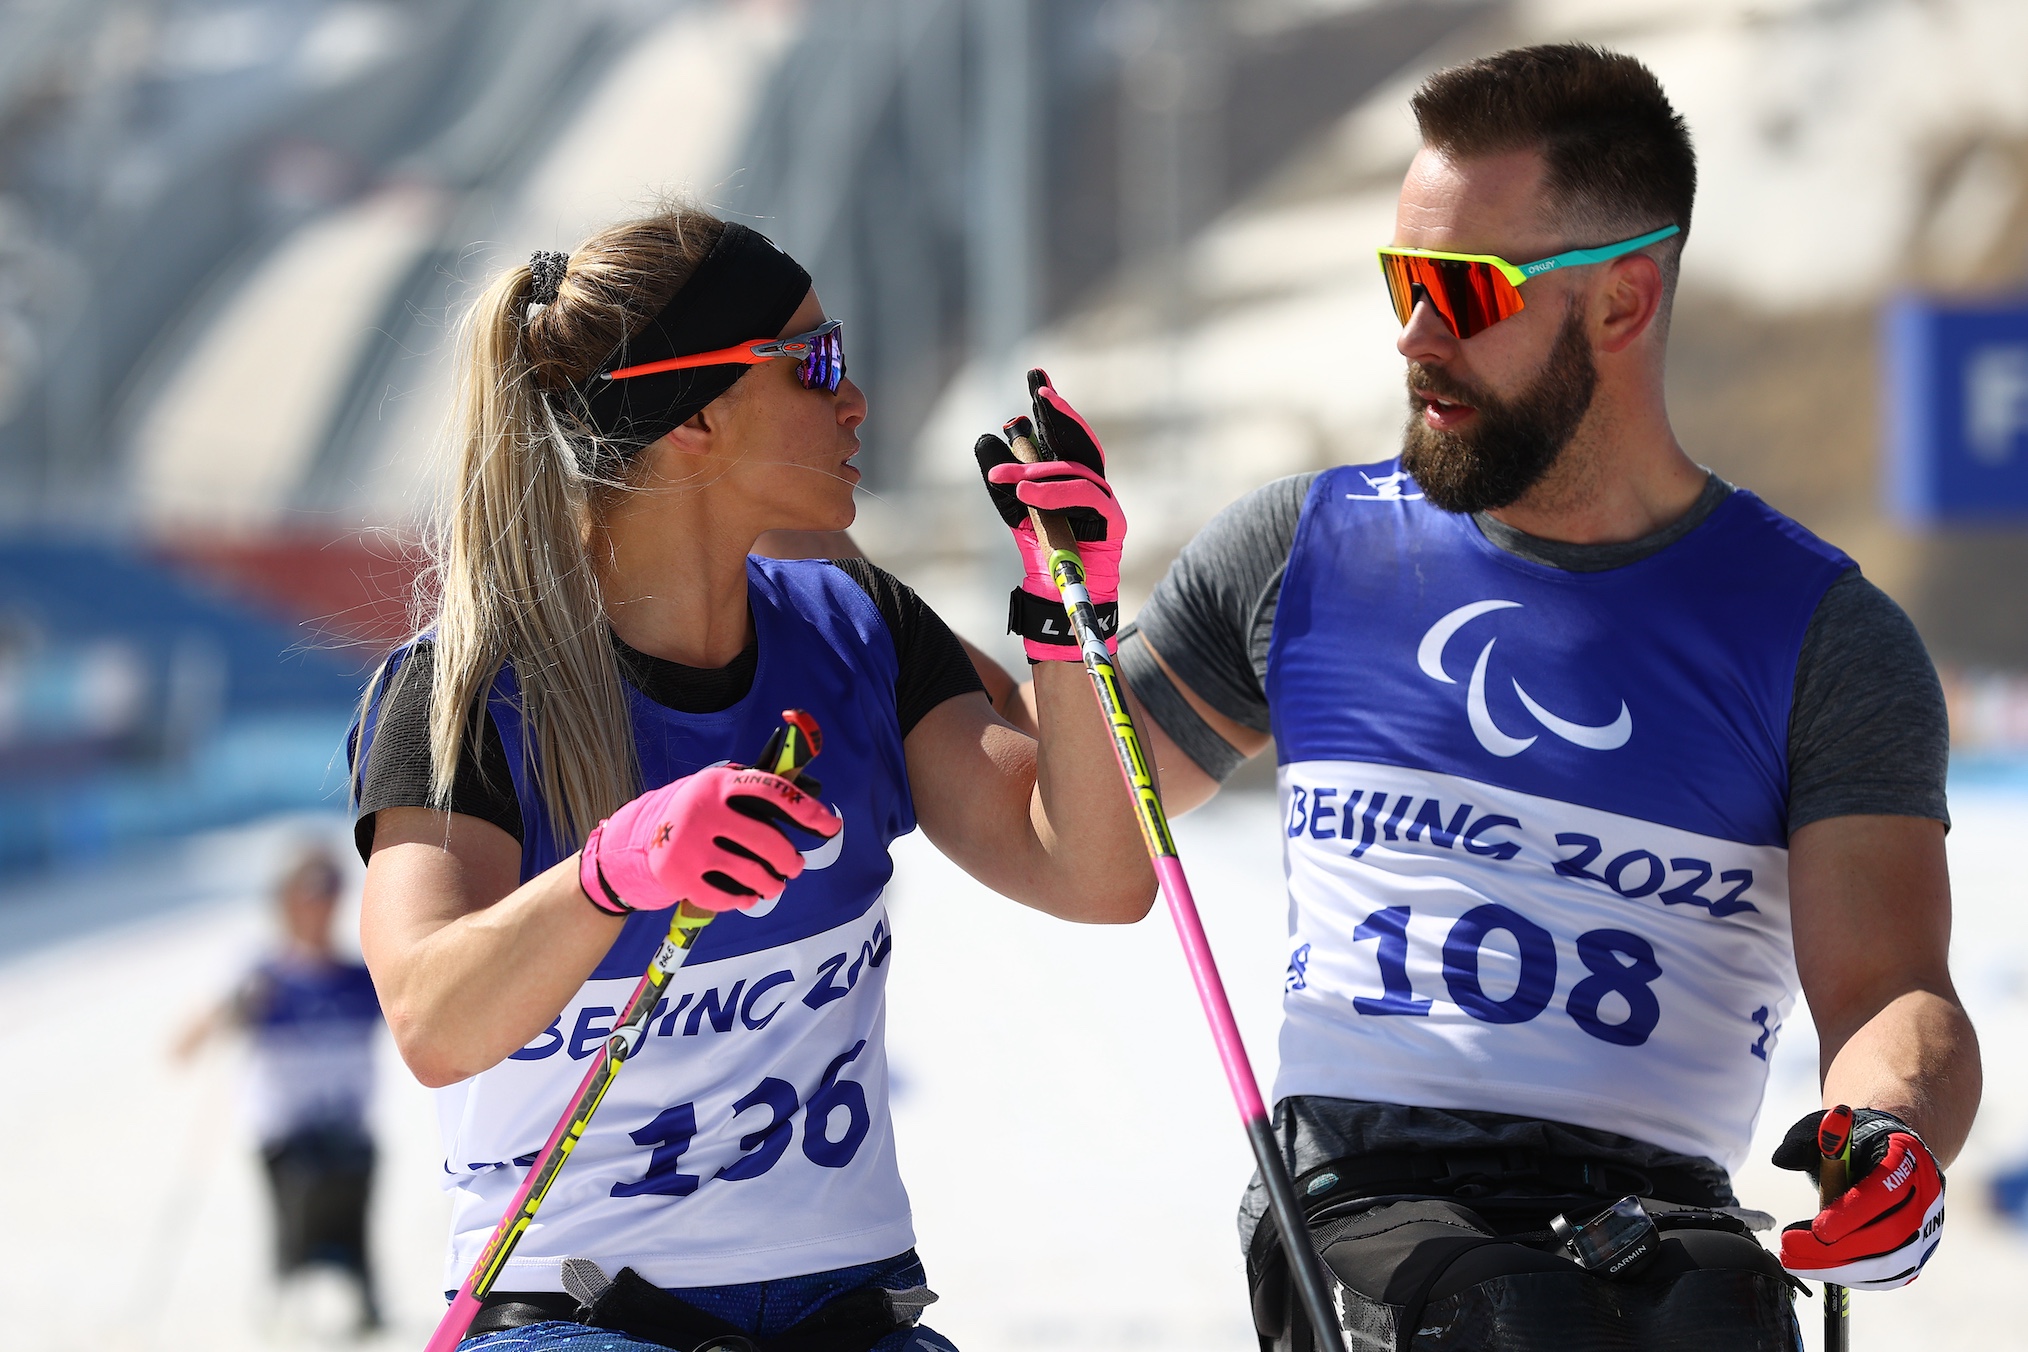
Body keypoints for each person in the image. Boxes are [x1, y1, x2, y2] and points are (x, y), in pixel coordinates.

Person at [997, 43, 1978, 1349]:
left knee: (1724, 1316)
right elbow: (1091, 855)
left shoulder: (1819, 634)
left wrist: (1892, 1133)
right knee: (1507, 1324)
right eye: (1402, 280)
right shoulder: (1301, 551)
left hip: (1658, 1211)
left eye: (1461, 289)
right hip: (1373, 1191)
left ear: (1624, 304)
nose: (1414, 333)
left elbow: (1890, 992)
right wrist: (1064, 632)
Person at [349, 207, 1153, 1352]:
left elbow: (1097, 874)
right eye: (816, 362)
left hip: (850, 1310)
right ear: (697, 418)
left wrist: (1068, 624)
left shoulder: (858, 626)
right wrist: (610, 875)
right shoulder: (467, 688)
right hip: (586, 1315)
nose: (855, 396)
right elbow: (432, 1016)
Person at [175, 844, 385, 1332]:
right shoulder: (261, 975)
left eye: (330, 890)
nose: (320, 904)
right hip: (284, 1131)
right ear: (286, 899)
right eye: (309, 891)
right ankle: (288, 1289)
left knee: (355, 1198)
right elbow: (182, 1049)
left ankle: (361, 1292)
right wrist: (233, 1007)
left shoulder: (359, 978)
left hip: (347, 1124)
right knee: (298, 1207)